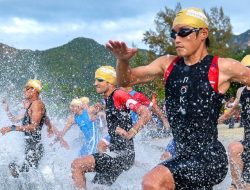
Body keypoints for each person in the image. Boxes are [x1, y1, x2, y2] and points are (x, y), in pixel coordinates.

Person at [106, 7, 250, 189]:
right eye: (173, 34)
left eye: (183, 32)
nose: (177, 39)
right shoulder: (167, 64)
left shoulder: (222, 67)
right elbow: (125, 80)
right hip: (181, 154)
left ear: (203, 33)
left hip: (209, 158)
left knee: (152, 182)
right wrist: (123, 60)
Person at [71, 66, 151, 189]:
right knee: (97, 186)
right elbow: (115, 112)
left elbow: (145, 113)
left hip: (122, 154)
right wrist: (102, 108)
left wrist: (132, 132)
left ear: (109, 82)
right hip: (115, 152)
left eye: (99, 80)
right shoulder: (108, 98)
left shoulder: (119, 94)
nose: (95, 83)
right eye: (95, 80)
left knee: (77, 165)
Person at [0, 79, 48, 178]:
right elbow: (14, 119)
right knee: (18, 171)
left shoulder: (37, 104)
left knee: (24, 174)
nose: (24, 91)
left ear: (34, 90)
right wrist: (7, 110)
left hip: (35, 148)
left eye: (26, 89)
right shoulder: (30, 106)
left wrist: (12, 128)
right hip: (29, 146)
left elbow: (34, 127)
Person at [218, 55, 250, 189]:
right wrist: (221, 118)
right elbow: (234, 107)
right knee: (233, 148)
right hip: (247, 139)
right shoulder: (241, 91)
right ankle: (236, 184)